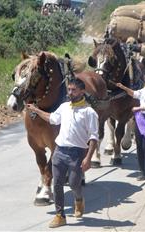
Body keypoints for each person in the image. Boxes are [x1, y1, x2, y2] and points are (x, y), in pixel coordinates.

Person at [26, 78, 98, 228]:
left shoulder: (89, 112)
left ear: (82, 91)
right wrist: (36, 110)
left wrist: (88, 158)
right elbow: (52, 118)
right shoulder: (64, 107)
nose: (70, 93)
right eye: (69, 89)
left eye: (73, 90)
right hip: (59, 151)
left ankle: (79, 200)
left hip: (77, 154)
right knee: (57, 184)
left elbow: (93, 137)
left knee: (73, 183)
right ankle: (60, 216)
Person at [116, 68, 145, 181]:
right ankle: (142, 171)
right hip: (140, 119)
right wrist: (123, 87)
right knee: (139, 146)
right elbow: (135, 94)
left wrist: (138, 108)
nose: (144, 78)